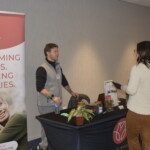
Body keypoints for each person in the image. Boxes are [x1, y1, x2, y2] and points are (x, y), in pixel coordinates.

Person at [36, 43, 79, 150]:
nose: (57, 54)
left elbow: (63, 81)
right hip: (46, 104)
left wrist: (71, 92)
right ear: (48, 53)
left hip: (57, 103)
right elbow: (40, 88)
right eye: (55, 51)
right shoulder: (42, 68)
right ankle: (43, 147)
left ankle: (56, 145)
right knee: (46, 127)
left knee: (57, 125)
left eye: (57, 51)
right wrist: (53, 97)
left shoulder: (58, 66)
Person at [113, 41, 150, 150]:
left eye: (136, 51)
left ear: (140, 52)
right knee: (147, 142)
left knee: (133, 140)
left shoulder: (137, 68)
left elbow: (131, 90)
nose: (135, 53)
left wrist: (121, 87)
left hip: (136, 113)